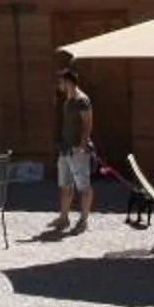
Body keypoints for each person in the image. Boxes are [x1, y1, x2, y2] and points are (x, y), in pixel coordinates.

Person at [44, 64, 96, 237]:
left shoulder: (82, 99)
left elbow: (88, 123)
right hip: (65, 149)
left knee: (84, 186)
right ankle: (64, 217)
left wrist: (82, 146)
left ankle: (83, 220)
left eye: (61, 81)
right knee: (65, 185)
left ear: (68, 82)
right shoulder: (68, 99)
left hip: (78, 150)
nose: (59, 84)